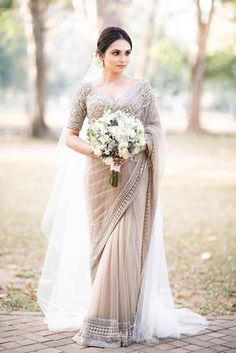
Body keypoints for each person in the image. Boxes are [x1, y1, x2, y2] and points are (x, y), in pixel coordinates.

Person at [36, 26, 208, 348]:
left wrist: (134, 143)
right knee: (102, 247)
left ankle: (113, 324)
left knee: (125, 246)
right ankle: (110, 316)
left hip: (134, 176)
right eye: (116, 52)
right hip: (99, 179)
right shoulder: (86, 91)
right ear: (100, 55)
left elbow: (156, 127)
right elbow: (70, 135)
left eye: (127, 53)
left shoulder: (142, 89)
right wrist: (100, 149)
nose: (123, 59)